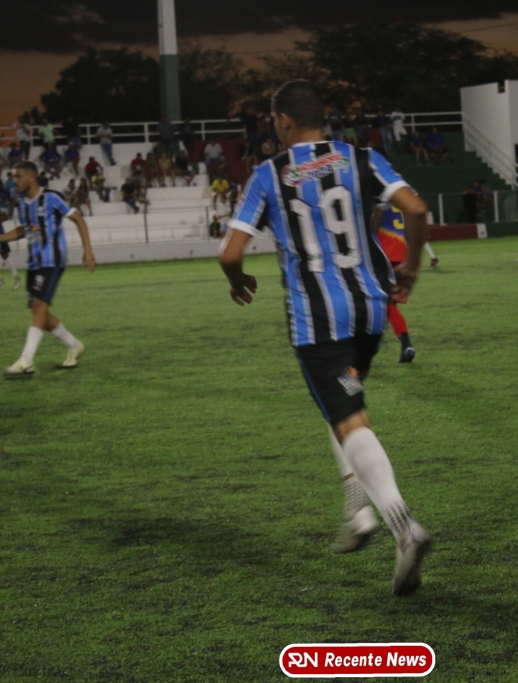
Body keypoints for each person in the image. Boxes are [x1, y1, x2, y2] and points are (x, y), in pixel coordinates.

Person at [219, 80, 433, 596]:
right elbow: (416, 209)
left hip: (318, 317)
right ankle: (357, 509)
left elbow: (230, 253)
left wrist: (238, 280)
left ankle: (403, 526)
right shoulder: (362, 158)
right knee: (342, 405)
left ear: (284, 121)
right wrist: (409, 267)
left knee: (349, 416)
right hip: (370, 308)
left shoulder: (269, 174)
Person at [0, 161, 96, 378]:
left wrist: (88, 251)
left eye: (18, 176)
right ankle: (74, 345)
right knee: (39, 310)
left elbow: (78, 219)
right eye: (13, 177)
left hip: (52, 259)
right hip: (34, 262)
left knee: (39, 306)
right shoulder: (21, 203)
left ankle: (26, 360)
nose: (14, 181)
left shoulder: (51, 198)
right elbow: (23, 230)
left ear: (31, 177)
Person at [371, 203, 439, 363]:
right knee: (388, 305)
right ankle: (404, 345)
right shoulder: (404, 196)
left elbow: (377, 215)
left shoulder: (377, 194)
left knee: (376, 304)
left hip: (382, 254)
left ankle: (374, 344)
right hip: (402, 254)